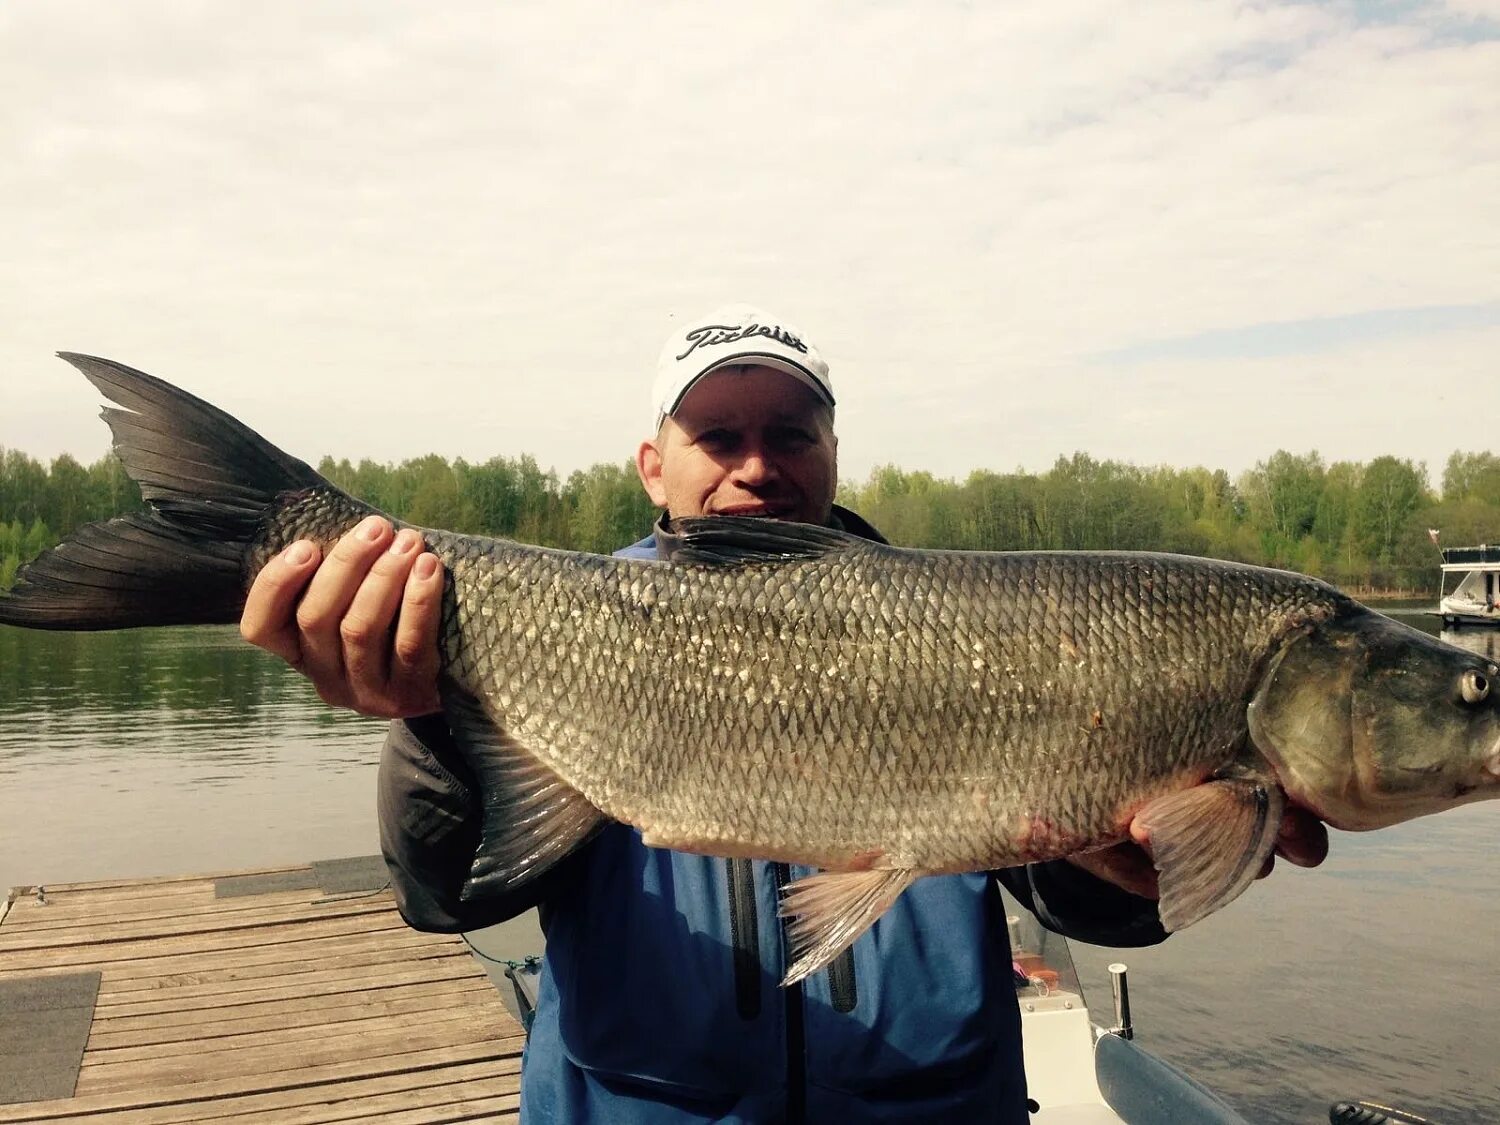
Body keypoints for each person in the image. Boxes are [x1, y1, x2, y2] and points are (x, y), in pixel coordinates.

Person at [240, 304, 1330, 1122]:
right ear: (651, 463)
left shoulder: (973, 625)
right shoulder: (562, 623)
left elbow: (1088, 897)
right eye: (718, 436)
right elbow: (445, 898)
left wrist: (1137, 869)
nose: (758, 466)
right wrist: (428, 716)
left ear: (836, 451)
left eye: (792, 433)